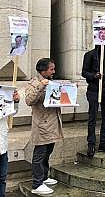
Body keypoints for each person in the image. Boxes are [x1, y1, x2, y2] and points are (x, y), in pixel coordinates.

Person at [25, 58, 62, 195]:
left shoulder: (52, 82)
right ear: (43, 70)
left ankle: (44, 177)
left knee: (48, 151)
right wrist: (41, 85)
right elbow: (29, 100)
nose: (54, 71)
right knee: (39, 154)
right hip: (42, 124)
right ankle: (37, 183)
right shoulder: (34, 82)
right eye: (51, 69)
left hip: (52, 122)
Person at [82, 34, 105, 157]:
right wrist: (93, 76)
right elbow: (84, 72)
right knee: (92, 118)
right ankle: (91, 144)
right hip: (94, 90)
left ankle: (104, 142)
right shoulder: (90, 55)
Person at [0, 91, 19, 197]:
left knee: (2, 179)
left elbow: (12, 112)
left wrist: (15, 102)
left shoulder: (3, 91)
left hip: (2, 147)